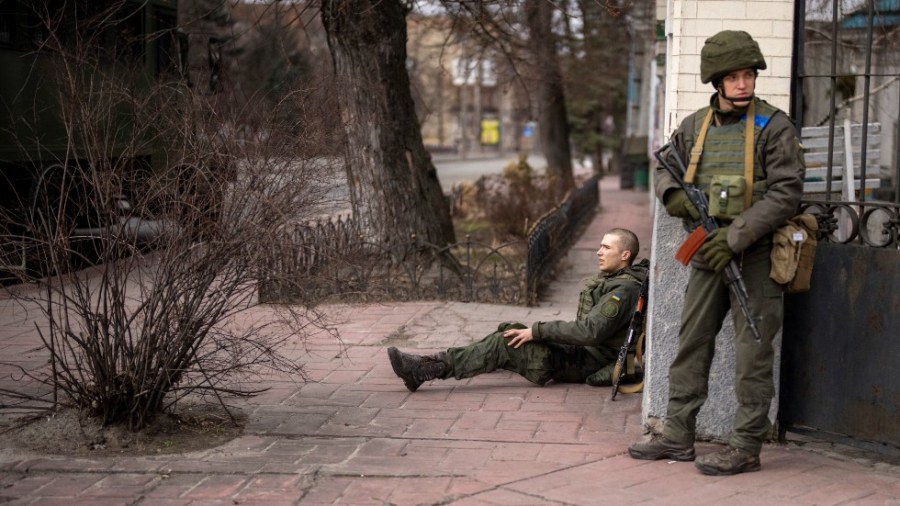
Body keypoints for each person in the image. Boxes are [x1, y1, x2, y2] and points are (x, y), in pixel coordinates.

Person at [627, 30, 805, 476]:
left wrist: (737, 235)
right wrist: (676, 200)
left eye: (748, 75)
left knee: (753, 354)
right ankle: (677, 435)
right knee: (691, 345)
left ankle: (745, 446)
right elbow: (664, 166)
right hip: (707, 253)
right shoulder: (694, 127)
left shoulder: (775, 127)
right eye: (733, 77)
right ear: (717, 82)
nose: (743, 84)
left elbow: (786, 194)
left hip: (757, 256)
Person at [387, 228, 648, 392]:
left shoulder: (622, 291)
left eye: (606, 247)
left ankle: (424, 369)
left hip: (583, 362)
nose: (598, 252)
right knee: (509, 330)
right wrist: (535, 332)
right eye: (599, 246)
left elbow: (590, 332)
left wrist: (538, 331)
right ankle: (441, 362)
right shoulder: (619, 281)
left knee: (506, 343)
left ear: (625, 255)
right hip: (580, 354)